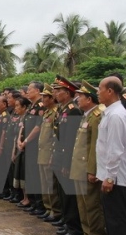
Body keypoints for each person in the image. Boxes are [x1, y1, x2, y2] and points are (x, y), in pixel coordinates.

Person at [96, 76, 126, 235]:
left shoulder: (116, 115)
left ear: (110, 91)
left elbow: (115, 149)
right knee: (112, 217)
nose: (97, 93)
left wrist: (110, 177)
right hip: (109, 175)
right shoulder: (110, 112)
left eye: (100, 89)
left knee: (117, 218)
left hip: (114, 178)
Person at [71, 80, 106, 235]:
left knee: (91, 205)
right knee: (82, 205)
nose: (77, 99)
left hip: (87, 168)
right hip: (79, 167)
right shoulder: (87, 116)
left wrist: (92, 170)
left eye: (80, 96)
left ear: (89, 99)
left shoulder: (96, 116)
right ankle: (86, 231)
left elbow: (95, 147)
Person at [51, 75, 83, 235]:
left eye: (59, 91)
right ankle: (65, 220)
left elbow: (70, 140)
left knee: (68, 193)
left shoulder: (73, 111)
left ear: (68, 92)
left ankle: (74, 226)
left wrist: (66, 162)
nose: (55, 93)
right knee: (61, 191)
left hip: (66, 157)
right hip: (58, 154)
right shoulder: (62, 109)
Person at [19, 81, 46, 216]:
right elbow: (24, 125)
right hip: (27, 145)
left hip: (34, 145)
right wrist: (20, 140)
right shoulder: (31, 106)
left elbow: (38, 126)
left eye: (30, 89)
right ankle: (33, 202)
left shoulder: (41, 106)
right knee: (30, 174)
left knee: (35, 175)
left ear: (37, 91)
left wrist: (26, 141)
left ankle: (40, 205)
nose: (27, 91)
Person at [36, 83, 62, 222]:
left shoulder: (56, 112)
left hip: (49, 152)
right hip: (42, 151)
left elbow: (55, 135)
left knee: (51, 183)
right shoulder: (46, 112)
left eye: (45, 97)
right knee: (44, 182)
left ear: (52, 99)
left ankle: (55, 210)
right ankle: (48, 208)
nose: (43, 99)